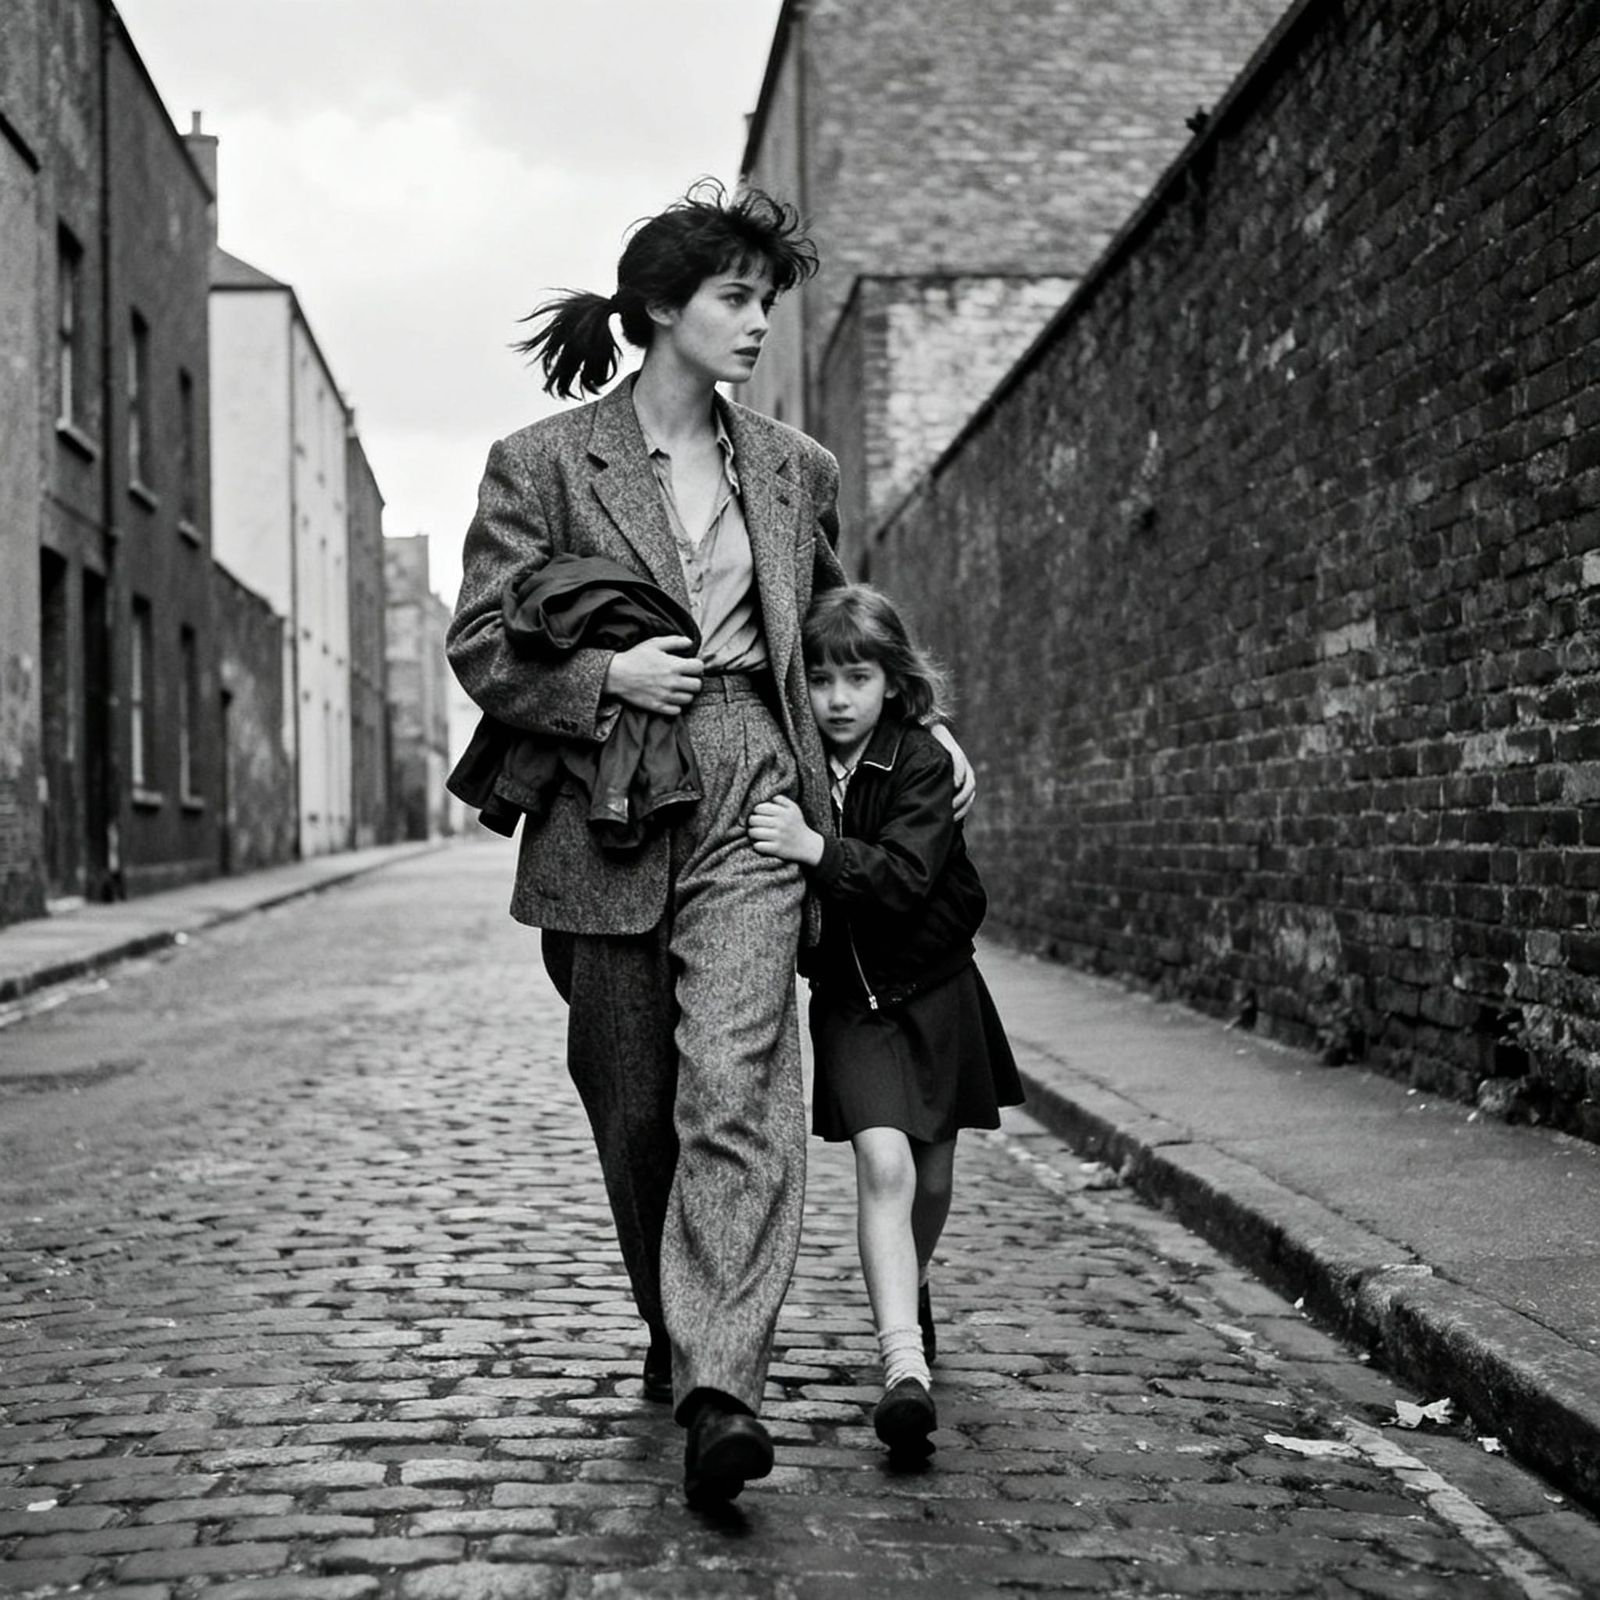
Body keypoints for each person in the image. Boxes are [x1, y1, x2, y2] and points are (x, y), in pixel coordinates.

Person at [446, 181, 974, 1509]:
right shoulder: (544, 463)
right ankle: (678, 1324)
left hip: (751, 782)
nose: (756, 324)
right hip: (608, 799)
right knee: (634, 1107)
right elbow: (481, 645)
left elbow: (836, 634)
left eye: (765, 301)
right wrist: (603, 682)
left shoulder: (796, 469)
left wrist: (918, 733)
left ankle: (722, 1389)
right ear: (663, 308)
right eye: (736, 299)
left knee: (734, 1085)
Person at [747, 584, 1023, 1459]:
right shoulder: (794, 761)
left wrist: (815, 849)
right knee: (886, 1164)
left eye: (856, 678)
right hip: (851, 1003)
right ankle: (905, 1370)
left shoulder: (919, 763)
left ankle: (913, 1284)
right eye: (821, 679)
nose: (836, 699)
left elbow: (907, 877)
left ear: (891, 681)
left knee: (934, 1185)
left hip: (936, 989)